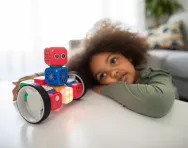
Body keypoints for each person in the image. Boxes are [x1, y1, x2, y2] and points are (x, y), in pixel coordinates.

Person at [12, 19, 178, 118]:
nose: (113, 73)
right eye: (102, 75)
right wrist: (37, 78)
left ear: (128, 55)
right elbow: (68, 76)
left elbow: (157, 102)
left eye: (113, 61)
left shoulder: (157, 75)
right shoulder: (92, 81)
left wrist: (101, 88)